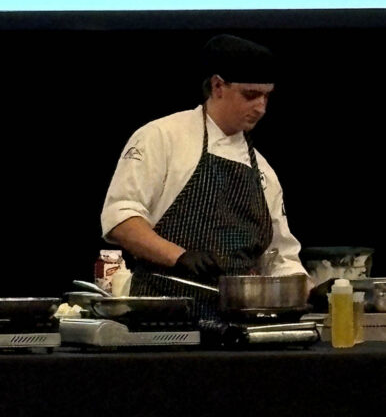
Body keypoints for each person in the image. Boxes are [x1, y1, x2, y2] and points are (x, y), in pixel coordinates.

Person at [100, 34, 307, 315]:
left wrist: (305, 288)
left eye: (266, 95)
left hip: (238, 317)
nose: (261, 107)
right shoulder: (162, 137)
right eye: (250, 95)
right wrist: (180, 257)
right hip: (165, 315)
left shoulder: (263, 171)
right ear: (218, 86)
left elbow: (279, 255)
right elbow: (121, 220)